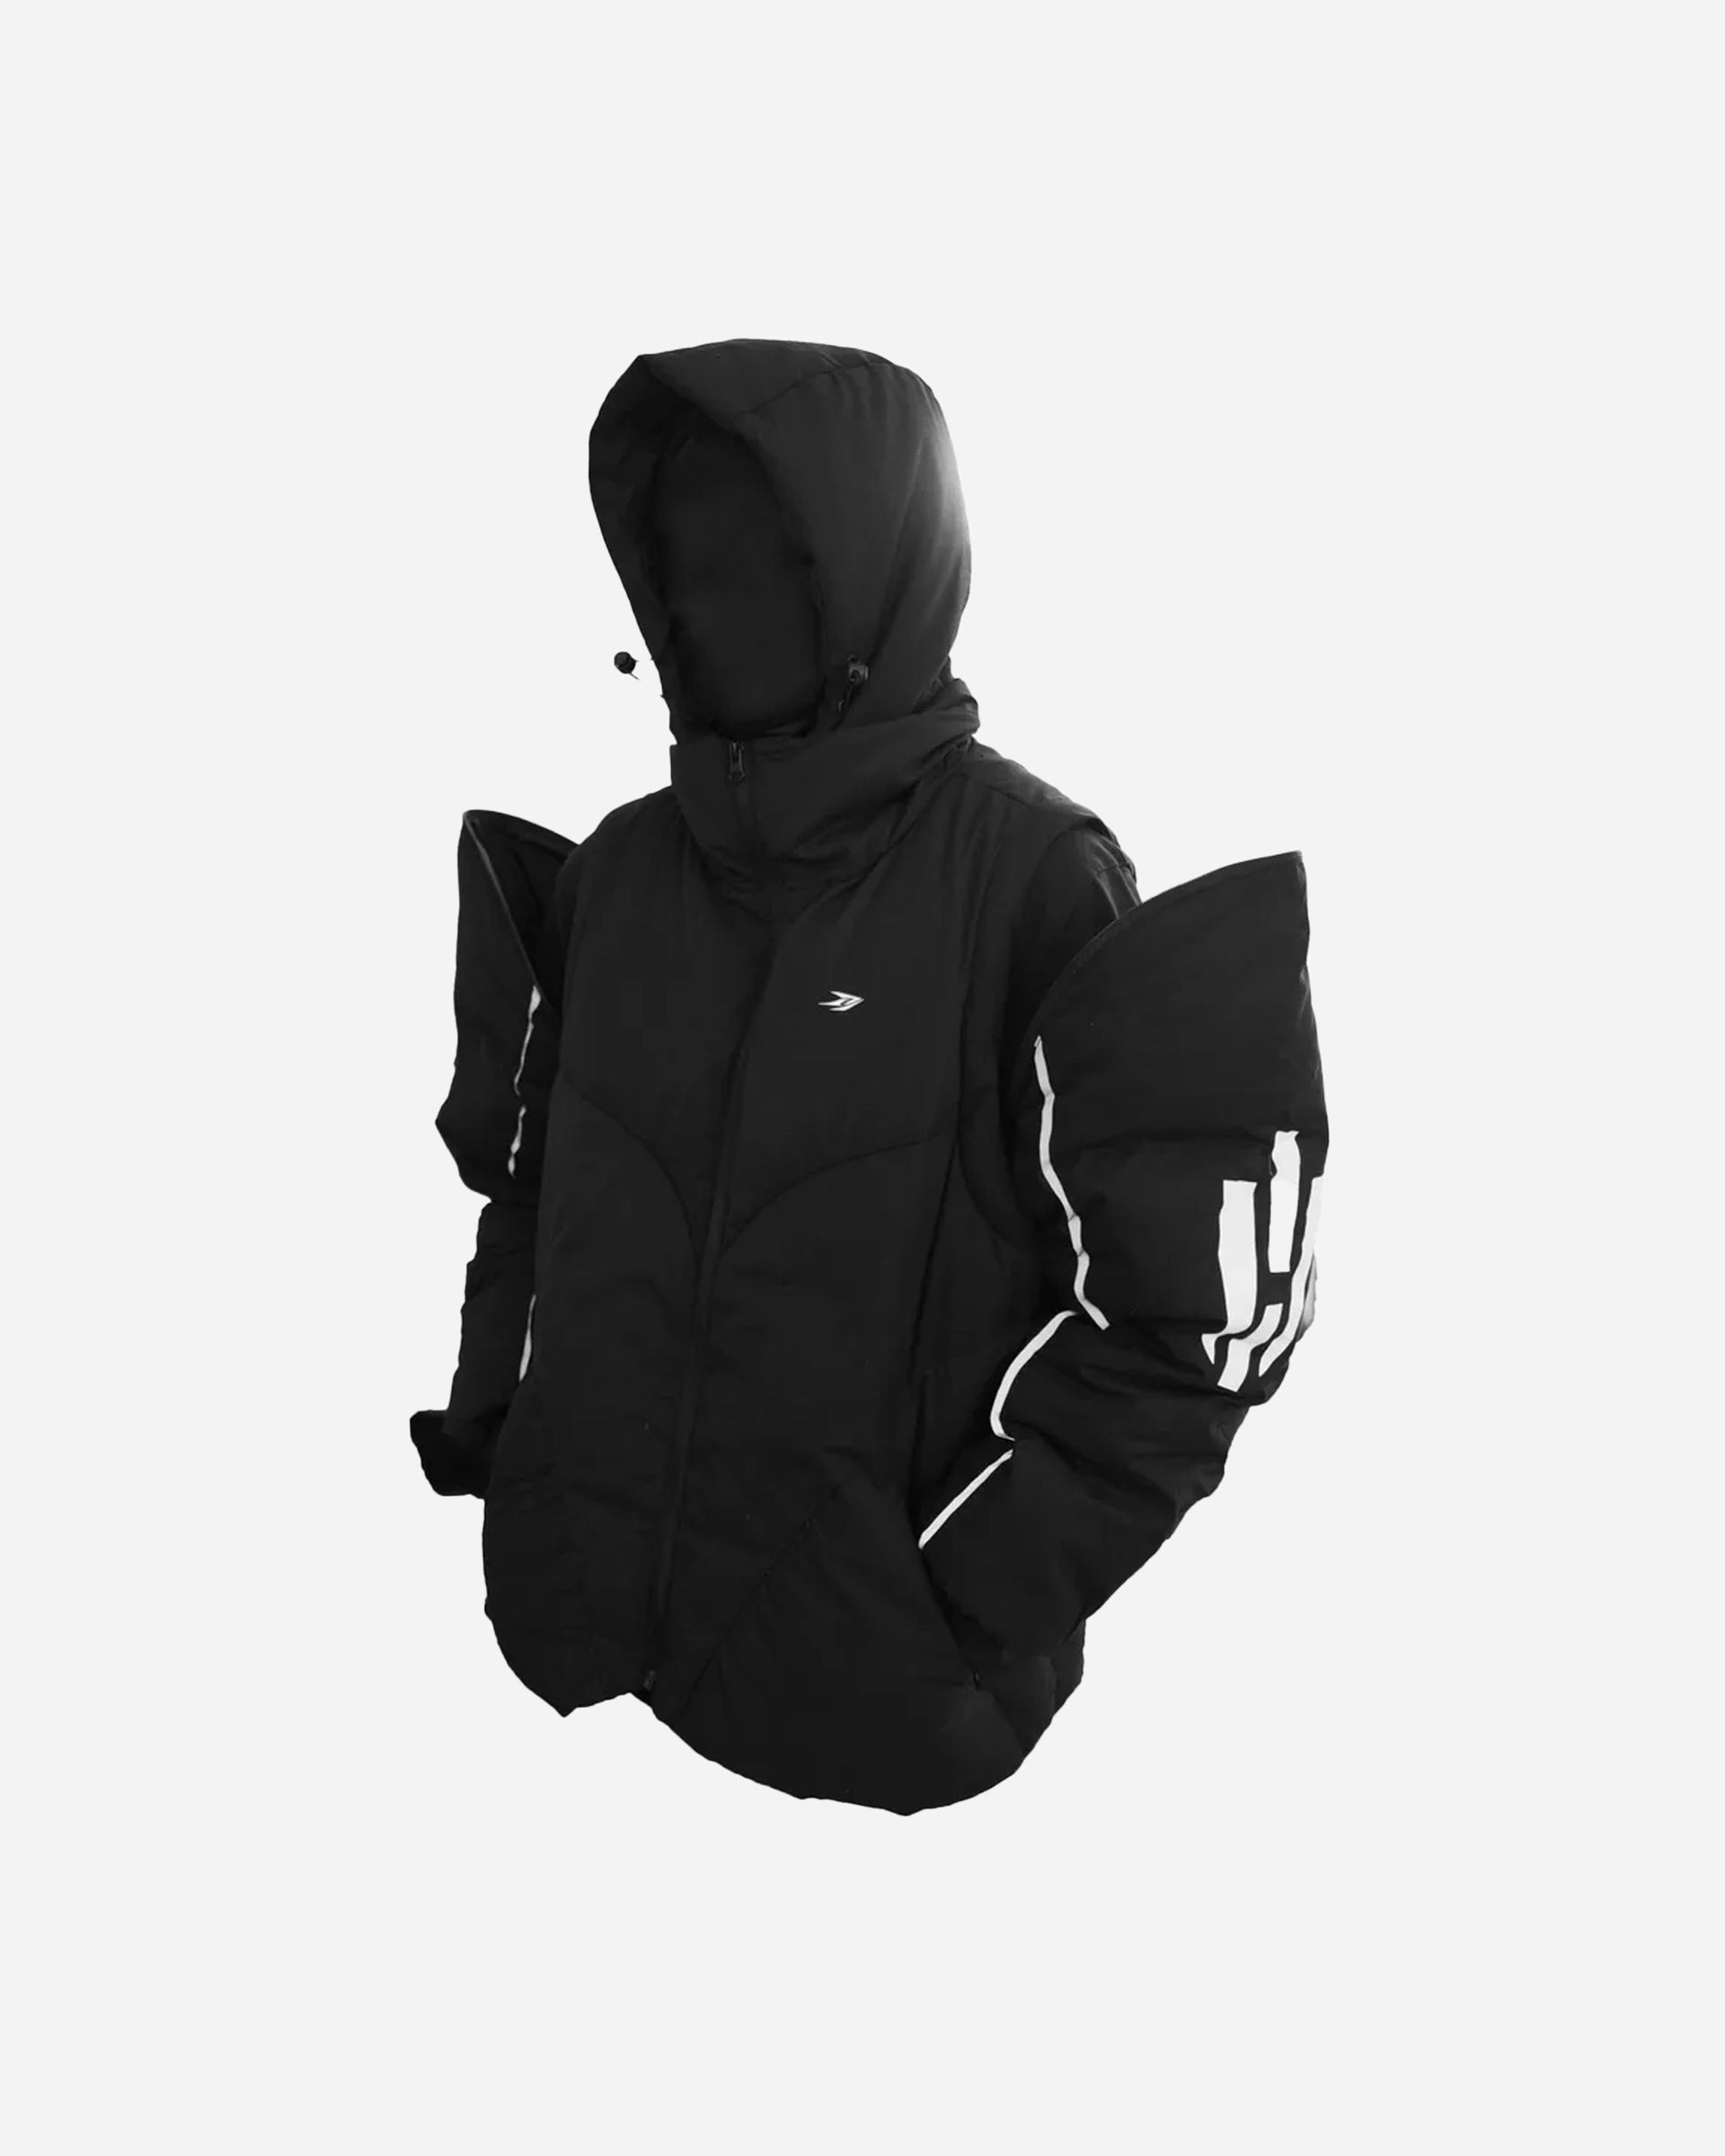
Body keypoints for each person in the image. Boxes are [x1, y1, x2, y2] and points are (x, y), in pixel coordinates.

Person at [409, 338, 1327, 1815]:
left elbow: (1185, 1324)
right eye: (686, 562)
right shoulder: (624, 871)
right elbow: (528, 1197)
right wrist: (505, 1440)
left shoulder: (1029, 875)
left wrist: (966, 1583)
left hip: (878, 1691)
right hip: (568, 1626)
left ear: (878, 574)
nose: (714, 602)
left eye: (770, 561)